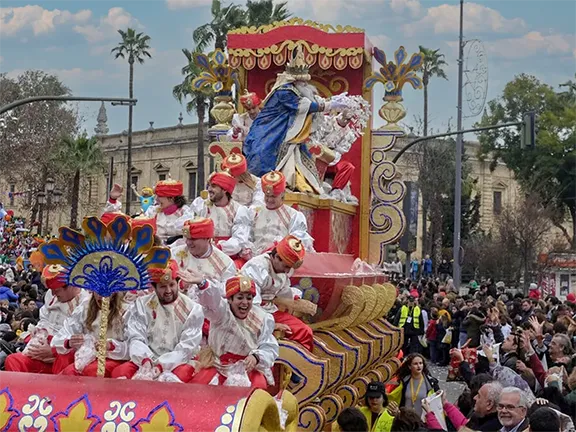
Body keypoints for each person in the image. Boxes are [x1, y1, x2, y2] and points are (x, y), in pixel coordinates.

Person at [243, 45, 348, 193]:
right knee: (265, 157)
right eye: (303, 82)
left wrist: (332, 100)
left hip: (284, 134)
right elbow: (302, 106)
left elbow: (310, 101)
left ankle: (293, 184)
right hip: (269, 131)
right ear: (295, 81)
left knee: (298, 155)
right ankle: (269, 185)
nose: (306, 85)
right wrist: (330, 104)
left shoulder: (295, 90)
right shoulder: (284, 91)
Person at [111, 260, 203, 382]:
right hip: (145, 360)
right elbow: (136, 337)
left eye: (172, 285)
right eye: (163, 287)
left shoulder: (192, 309)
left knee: (178, 376)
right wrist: (145, 360)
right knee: (120, 372)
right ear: (154, 287)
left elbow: (186, 348)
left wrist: (161, 366)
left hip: (177, 363)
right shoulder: (142, 304)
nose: (168, 290)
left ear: (178, 282)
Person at [190, 275, 278, 389]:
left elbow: (269, 346)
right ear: (230, 299)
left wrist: (256, 357)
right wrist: (202, 284)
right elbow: (212, 301)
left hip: (247, 369)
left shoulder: (262, 318)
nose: (245, 302)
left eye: (249, 298)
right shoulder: (221, 313)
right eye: (240, 298)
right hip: (217, 366)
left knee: (256, 396)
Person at [4, 265, 89, 374]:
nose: (53, 294)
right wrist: (38, 339)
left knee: (64, 358)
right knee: (13, 360)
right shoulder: (51, 296)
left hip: (65, 355)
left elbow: (84, 341)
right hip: (43, 349)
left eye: (56, 290)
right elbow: (43, 321)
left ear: (70, 286)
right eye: (51, 290)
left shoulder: (86, 303)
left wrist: (54, 351)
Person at [242, 234, 315, 351]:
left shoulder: (283, 270)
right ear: (276, 256)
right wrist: (271, 326)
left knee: (304, 332)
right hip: (250, 314)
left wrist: (296, 302)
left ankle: (296, 368)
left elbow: (285, 292)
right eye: (286, 266)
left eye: (290, 268)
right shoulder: (257, 267)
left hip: (270, 310)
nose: (287, 271)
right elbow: (250, 305)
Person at [51, 292, 129, 377]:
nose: (100, 295)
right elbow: (61, 336)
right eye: (97, 291)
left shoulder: (126, 312)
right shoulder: (85, 307)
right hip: (88, 356)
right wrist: (69, 342)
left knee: (92, 371)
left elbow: (132, 345)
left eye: (105, 291)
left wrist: (111, 346)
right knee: (69, 371)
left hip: (115, 358)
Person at [190, 170, 252, 267]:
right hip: (201, 253)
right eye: (209, 186)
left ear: (224, 189)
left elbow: (239, 240)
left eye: (213, 186)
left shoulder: (239, 210)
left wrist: (218, 247)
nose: (209, 189)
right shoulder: (201, 205)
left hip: (227, 257)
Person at [105, 179, 193, 244]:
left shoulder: (186, 213)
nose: (156, 199)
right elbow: (129, 223)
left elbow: (183, 231)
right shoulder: (153, 211)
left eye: (160, 196)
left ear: (172, 198)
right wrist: (113, 199)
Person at [250, 170, 315, 257]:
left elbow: (297, 242)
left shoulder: (293, 215)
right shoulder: (255, 213)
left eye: (273, 196)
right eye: (267, 196)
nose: (269, 200)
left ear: (282, 194)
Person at [171, 217, 236, 300]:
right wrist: (180, 285)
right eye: (187, 238)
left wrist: (204, 283)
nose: (188, 243)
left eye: (193, 239)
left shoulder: (225, 264)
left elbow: (228, 290)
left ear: (207, 239)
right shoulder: (174, 254)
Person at [388, 353, 440, 417]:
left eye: (420, 363)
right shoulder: (403, 382)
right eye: (415, 364)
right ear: (409, 366)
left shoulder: (431, 383)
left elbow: (437, 402)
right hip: (406, 420)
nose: (419, 366)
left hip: (424, 421)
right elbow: (393, 397)